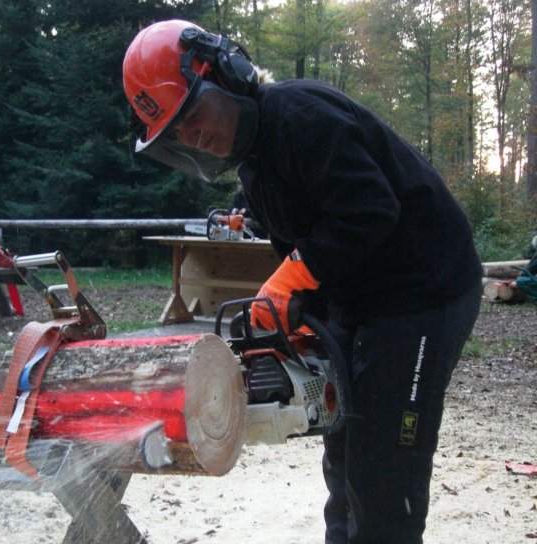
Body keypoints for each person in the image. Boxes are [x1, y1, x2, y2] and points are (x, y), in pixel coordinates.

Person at [123, 19, 482, 544]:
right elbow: (310, 243)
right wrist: (306, 312)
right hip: (365, 294)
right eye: (179, 130)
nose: (193, 134)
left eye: (195, 113)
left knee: (386, 457)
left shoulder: (300, 117)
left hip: (423, 288)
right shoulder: (255, 168)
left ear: (228, 77)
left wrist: (293, 278)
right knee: (344, 449)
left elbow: (370, 210)